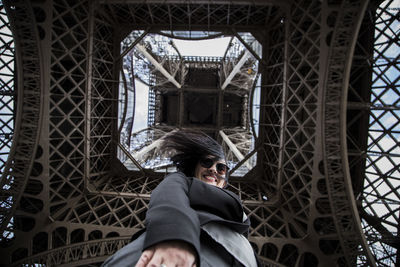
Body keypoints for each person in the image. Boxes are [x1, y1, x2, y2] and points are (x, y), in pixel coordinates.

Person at [102, 129, 259, 267]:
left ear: (225, 179)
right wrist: (174, 237)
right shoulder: (184, 181)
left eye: (221, 167)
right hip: (186, 247)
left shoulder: (236, 208)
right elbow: (169, 196)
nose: (213, 169)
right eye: (207, 162)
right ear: (195, 167)